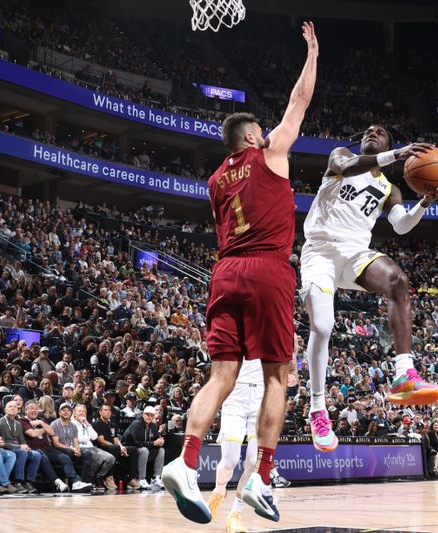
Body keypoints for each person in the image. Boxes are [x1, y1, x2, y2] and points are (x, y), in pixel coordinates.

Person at [161, 21, 319, 525]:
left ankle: (186, 463)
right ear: (252, 136)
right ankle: (261, 479)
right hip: (268, 269)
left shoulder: (214, 180)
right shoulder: (270, 153)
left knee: (221, 374)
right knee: (278, 376)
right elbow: (299, 102)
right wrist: (312, 53)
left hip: (224, 270)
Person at [301, 127, 438, 453]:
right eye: (369, 130)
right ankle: (317, 408)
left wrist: (424, 202)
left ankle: (403, 372)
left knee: (398, 280)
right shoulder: (341, 156)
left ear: (389, 145)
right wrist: (397, 153)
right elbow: (348, 166)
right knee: (323, 326)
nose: (372, 131)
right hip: (320, 252)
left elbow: (400, 225)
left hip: (356, 254)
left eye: (380, 132)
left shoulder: (389, 188)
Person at [208, 339, 297, 533]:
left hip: (261, 395)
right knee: (230, 460)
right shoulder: (241, 318)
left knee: (253, 461)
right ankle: (218, 491)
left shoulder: (283, 330)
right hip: (235, 394)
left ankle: (235, 514)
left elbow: (293, 365)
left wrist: (292, 376)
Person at [0, 400, 41, 493]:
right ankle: (18, 482)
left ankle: (29, 482)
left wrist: (26, 446)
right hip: (6, 448)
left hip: (17, 448)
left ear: (18, 411)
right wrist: (19, 447)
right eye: (10, 406)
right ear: (5, 410)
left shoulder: (18, 424)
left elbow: (22, 441)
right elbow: (2, 442)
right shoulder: (0, 422)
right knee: (22, 453)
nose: (13, 408)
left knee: (36, 454)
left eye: (15, 407)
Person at [122, 405, 165, 490]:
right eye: (147, 414)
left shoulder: (152, 426)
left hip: (143, 450)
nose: (149, 417)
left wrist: (160, 441)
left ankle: (157, 478)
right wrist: (153, 443)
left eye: (152, 415)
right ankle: (141, 479)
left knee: (161, 450)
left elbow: (155, 439)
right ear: (142, 414)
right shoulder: (137, 424)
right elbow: (136, 443)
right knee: (144, 450)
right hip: (130, 450)